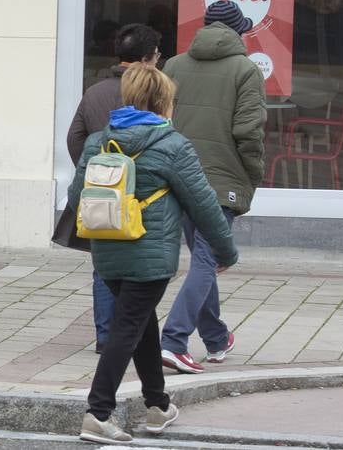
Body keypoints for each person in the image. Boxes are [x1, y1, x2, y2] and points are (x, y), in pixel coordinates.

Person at [69, 65, 237, 444]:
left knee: (141, 325)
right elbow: (205, 205)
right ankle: (97, 413)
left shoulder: (98, 142)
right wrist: (226, 250)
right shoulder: (172, 146)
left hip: (108, 253)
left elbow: (76, 198)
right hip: (151, 255)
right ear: (164, 103)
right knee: (127, 328)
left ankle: (158, 405)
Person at [159, 0, 266, 375]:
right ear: (240, 31)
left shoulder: (172, 65)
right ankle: (173, 340)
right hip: (220, 179)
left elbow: (161, 123)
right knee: (208, 259)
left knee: (202, 260)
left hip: (177, 174)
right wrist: (252, 175)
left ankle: (217, 338)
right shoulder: (246, 70)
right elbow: (247, 132)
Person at [66, 24, 161, 354]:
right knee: (141, 268)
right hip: (145, 196)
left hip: (103, 192)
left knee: (103, 265)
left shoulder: (94, 92)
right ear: (148, 59)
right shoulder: (154, 93)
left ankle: (106, 336)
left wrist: (95, 172)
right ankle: (134, 335)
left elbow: (75, 138)